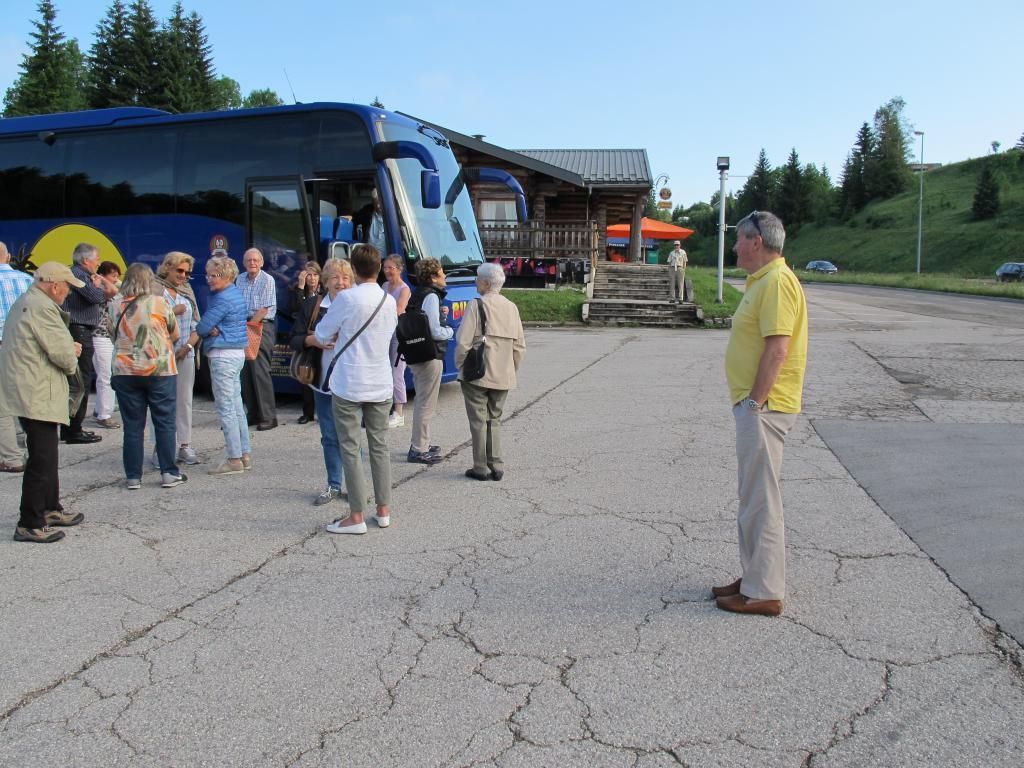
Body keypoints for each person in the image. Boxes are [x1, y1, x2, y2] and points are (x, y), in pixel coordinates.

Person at [713, 211, 808, 617]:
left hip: (764, 407)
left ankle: (765, 591)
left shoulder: (777, 282)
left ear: (756, 241)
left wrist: (755, 402)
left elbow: (778, 348)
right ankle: (753, 577)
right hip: (757, 406)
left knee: (761, 500)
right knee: (751, 497)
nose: (734, 246)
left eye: (738, 239)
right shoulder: (763, 281)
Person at [0, 262, 87, 542]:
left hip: (31, 388)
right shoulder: (43, 308)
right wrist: (73, 350)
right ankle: (30, 522)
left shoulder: (29, 301)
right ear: (55, 286)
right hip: (38, 390)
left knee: (46, 454)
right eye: (68, 287)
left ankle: (50, 508)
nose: (69, 293)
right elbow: (63, 356)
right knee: (42, 458)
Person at [315, 244, 398, 534]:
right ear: (379, 268)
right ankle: (384, 510)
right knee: (380, 447)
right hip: (380, 381)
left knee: (350, 448)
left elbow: (322, 333)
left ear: (353, 269)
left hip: (349, 381)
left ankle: (356, 516)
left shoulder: (347, 298)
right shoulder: (388, 300)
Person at [109, 264, 185, 490]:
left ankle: (133, 477)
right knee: (164, 422)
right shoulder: (159, 303)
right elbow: (175, 333)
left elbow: (112, 334)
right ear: (148, 281)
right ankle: (168, 473)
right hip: (159, 369)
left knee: (132, 426)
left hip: (125, 371)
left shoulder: (114, 305)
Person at [454, 262, 526, 481]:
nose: (476, 282)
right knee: (494, 419)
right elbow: (519, 346)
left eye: (478, 278)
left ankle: (480, 467)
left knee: (478, 419)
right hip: (503, 373)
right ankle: (496, 465)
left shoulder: (476, 305)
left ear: (485, 283)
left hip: (478, 372)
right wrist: (511, 369)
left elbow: (463, 342)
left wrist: (460, 366)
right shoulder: (512, 307)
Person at [291, 257, 353, 505]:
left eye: (346, 277)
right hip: (322, 381)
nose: (341, 282)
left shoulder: (357, 305)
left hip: (351, 382)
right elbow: (295, 338)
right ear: (325, 281)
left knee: (351, 437)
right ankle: (334, 485)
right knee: (329, 435)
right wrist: (313, 341)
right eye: (335, 277)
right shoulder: (313, 305)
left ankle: (355, 487)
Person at [197, 256, 251, 476]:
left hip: (222, 355)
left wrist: (210, 329)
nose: (209, 279)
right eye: (208, 274)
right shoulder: (235, 293)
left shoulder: (222, 299)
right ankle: (244, 454)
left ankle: (234, 459)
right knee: (236, 406)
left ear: (227, 275)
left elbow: (202, 327)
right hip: (236, 354)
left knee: (226, 408)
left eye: (214, 275)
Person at [62, 242, 119, 444]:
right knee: (81, 380)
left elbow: (107, 293)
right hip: (79, 330)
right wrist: (97, 286)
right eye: (96, 259)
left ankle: (72, 427)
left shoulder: (83, 275)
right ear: (86, 260)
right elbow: (96, 297)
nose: (98, 263)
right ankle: (73, 429)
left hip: (83, 329)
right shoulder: (78, 275)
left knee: (81, 379)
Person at [155, 251, 201, 464]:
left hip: (185, 353)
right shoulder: (155, 290)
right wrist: (173, 311)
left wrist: (188, 346)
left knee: (184, 400)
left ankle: (184, 444)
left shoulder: (187, 291)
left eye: (187, 272)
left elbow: (196, 325)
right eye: (180, 271)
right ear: (167, 268)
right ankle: (161, 448)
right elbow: (148, 321)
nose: (183, 276)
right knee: (161, 402)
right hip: (160, 355)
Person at [406, 257, 453, 464]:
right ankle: (419, 448)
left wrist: (441, 316)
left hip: (417, 352)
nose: (445, 275)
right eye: (442, 272)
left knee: (422, 400)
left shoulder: (419, 293)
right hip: (430, 354)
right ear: (433, 276)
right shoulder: (432, 296)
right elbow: (434, 330)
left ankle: (421, 442)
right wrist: (449, 330)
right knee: (426, 403)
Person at [0, 240, 34, 473]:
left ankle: (11, 457)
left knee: (2, 406)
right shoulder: (27, 280)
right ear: (9, 256)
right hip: (24, 347)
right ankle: (37, 450)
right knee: (28, 401)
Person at [236, 247, 278, 431]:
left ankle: (269, 417)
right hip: (244, 325)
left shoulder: (267, 280)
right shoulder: (239, 279)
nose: (252, 263)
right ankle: (252, 414)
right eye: (248, 260)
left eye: (255, 260)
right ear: (244, 263)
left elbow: (263, 310)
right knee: (245, 372)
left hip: (261, 325)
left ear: (261, 262)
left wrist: (249, 328)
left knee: (260, 372)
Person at [289, 261, 323, 425]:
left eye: (315, 275)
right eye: (309, 275)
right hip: (305, 336)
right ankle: (307, 413)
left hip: (321, 337)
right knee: (305, 373)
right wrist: (301, 288)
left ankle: (321, 411)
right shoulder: (298, 292)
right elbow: (297, 310)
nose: (312, 278)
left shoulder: (325, 293)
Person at [91, 261, 123, 430]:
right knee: (106, 376)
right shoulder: (99, 290)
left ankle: (100, 409)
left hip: (108, 337)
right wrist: (102, 279)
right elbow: (114, 291)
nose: (116, 279)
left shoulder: (109, 288)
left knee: (107, 374)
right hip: (99, 336)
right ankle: (104, 415)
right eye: (113, 275)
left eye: (117, 276)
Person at [382, 254, 411, 428]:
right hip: (384, 333)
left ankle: (399, 413)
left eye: (390, 268)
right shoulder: (384, 286)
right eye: (385, 267)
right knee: (384, 371)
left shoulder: (404, 289)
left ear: (399, 269)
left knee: (396, 372)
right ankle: (385, 408)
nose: (387, 271)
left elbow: (399, 310)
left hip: (398, 335)